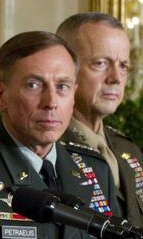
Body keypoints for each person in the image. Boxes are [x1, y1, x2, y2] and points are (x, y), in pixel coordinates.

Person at [0, 31, 120, 238]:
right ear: (0, 94)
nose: (51, 102)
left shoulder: (96, 168)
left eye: (62, 87)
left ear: (73, 95)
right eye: (33, 85)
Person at [57, 12, 143, 226]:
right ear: (66, 67)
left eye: (123, 65)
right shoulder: (48, 149)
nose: (116, 77)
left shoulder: (128, 150)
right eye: (101, 63)